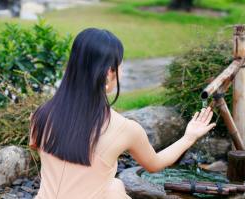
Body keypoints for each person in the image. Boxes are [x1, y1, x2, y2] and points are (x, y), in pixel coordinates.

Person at [28, 28, 216, 199]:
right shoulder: (124, 128)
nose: (121, 70)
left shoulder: (41, 116)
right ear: (109, 72)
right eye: (120, 64)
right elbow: (155, 164)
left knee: (114, 185)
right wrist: (188, 137)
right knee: (114, 187)